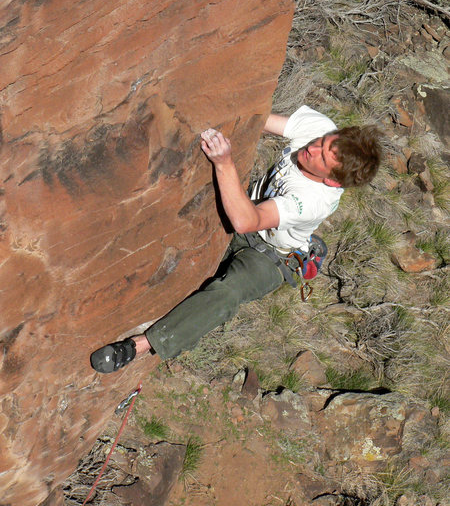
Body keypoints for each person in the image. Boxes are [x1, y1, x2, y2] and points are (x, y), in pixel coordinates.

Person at [91, 106, 381, 373]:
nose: (313, 147)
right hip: (249, 210)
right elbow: (257, 117)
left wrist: (224, 162)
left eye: (322, 156)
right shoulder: (321, 130)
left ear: (333, 181)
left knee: (228, 294)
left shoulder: (313, 200)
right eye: (324, 142)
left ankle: (140, 345)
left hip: (271, 256)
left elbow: (246, 221)